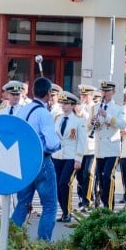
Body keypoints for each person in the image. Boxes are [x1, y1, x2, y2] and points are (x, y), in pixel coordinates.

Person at [12, 77, 61, 241]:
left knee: (23, 204)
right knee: (49, 206)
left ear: (33, 92)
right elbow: (52, 143)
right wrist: (58, 142)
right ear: (48, 94)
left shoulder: (23, 110)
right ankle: (42, 245)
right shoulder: (44, 114)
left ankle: (9, 239)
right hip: (42, 162)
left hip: (24, 161)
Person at [90, 80, 126, 210]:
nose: (105, 93)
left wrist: (107, 115)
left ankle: (109, 206)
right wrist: (92, 122)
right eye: (103, 91)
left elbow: (122, 124)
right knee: (101, 178)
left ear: (113, 92)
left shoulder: (118, 108)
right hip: (100, 148)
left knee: (107, 176)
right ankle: (104, 203)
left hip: (112, 147)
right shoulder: (95, 107)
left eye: (107, 91)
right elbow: (89, 127)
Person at [53, 92, 86, 222]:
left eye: (66, 103)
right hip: (57, 155)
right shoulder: (58, 118)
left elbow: (81, 141)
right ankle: (63, 211)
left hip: (71, 156)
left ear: (72, 105)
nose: (63, 106)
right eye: (62, 103)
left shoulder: (79, 120)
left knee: (64, 183)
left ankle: (67, 212)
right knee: (57, 184)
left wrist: (78, 158)